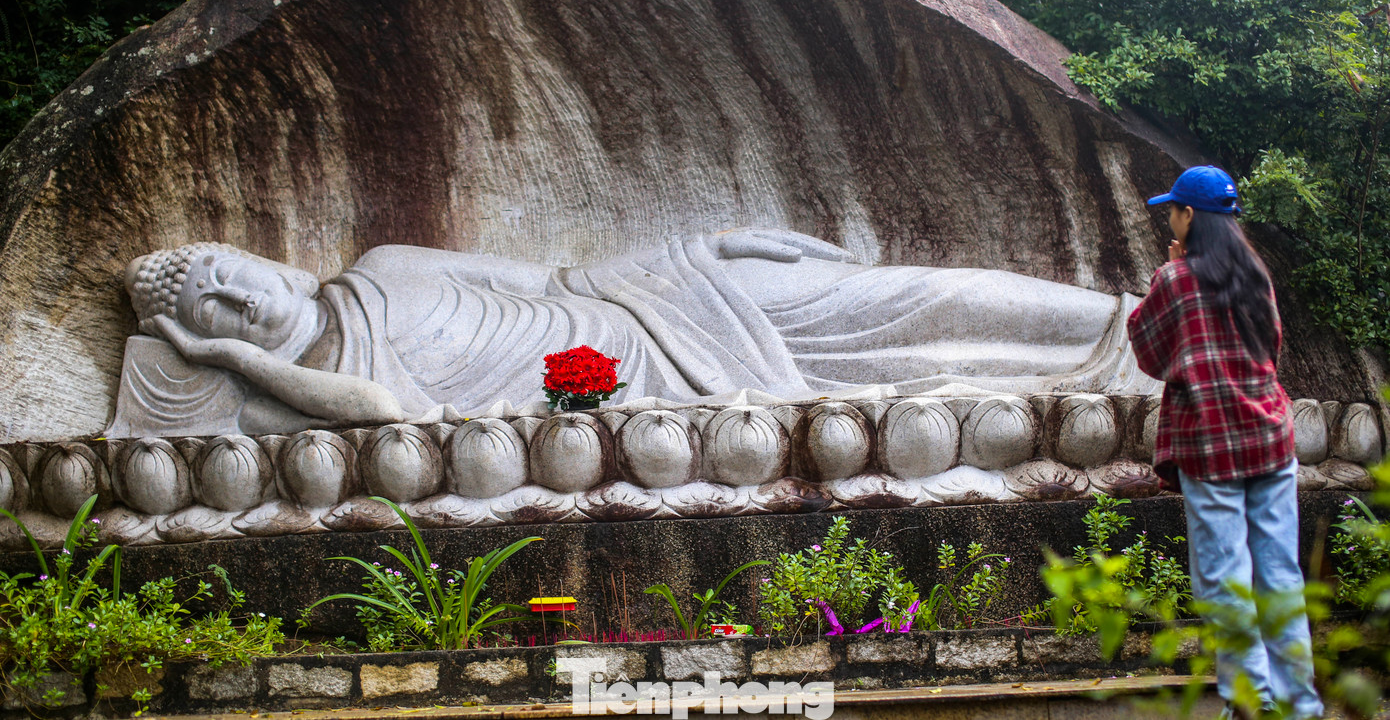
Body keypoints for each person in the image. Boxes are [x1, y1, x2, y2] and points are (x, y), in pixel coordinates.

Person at [111, 228, 1157, 437]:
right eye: (211, 309)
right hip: (612, 389)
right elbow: (388, 413)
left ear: (254, 254)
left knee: (904, 297)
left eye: (224, 274)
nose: (238, 303)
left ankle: (1127, 329)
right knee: (912, 381)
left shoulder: (385, 266)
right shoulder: (328, 391)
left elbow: (550, 274)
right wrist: (231, 366)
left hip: (647, 307)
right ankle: (1093, 389)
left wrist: (706, 240)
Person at [1127, 166, 1322, 720]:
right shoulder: (1256, 272)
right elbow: (1271, 348)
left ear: (1190, 217)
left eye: (1173, 210)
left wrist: (1170, 272)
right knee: (1280, 574)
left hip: (1211, 442)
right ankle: (1298, 705)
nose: (1169, 217)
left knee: (1225, 578)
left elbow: (1147, 349)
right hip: (1269, 435)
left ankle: (1252, 706)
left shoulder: (1177, 279)